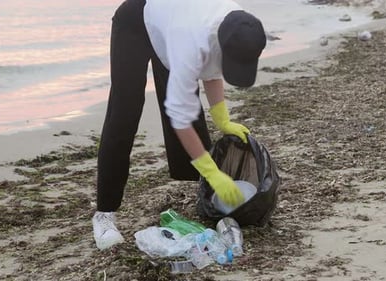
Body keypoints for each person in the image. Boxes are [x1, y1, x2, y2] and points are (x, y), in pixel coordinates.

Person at [92, 0, 267, 250]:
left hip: (170, 23)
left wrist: (222, 119)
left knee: (194, 116)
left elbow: (214, 66)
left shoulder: (237, 23)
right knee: (125, 111)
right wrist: (211, 171)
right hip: (136, 22)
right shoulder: (189, 40)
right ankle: (104, 214)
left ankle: (208, 201)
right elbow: (179, 116)